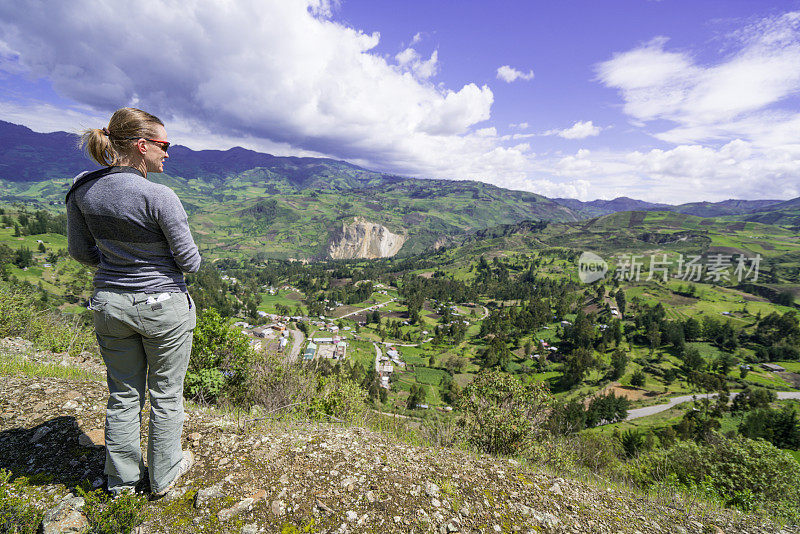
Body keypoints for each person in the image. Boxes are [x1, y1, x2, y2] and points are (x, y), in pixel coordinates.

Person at [66, 107, 201, 497]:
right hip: (163, 306)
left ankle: (121, 480)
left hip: (110, 304)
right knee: (166, 394)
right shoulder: (160, 196)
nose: (168, 153)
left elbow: (81, 251)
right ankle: (164, 475)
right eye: (164, 145)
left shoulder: (82, 187)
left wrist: (116, 262)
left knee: (123, 394)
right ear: (142, 146)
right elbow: (189, 262)